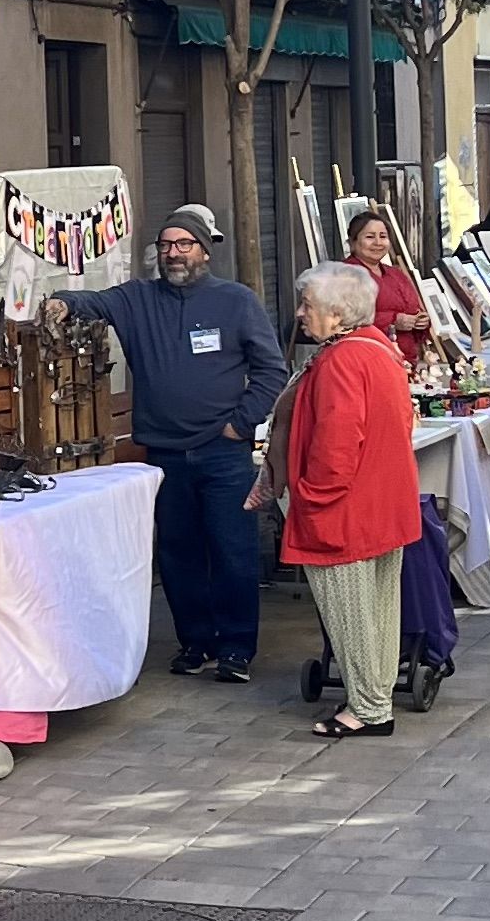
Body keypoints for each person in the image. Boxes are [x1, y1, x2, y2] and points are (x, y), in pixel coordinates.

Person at [44, 207, 287, 682]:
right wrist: (61, 301)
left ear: (204, 250)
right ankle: (196, 642)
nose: (173, 254)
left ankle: (237, 647)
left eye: (184, 245)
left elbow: (271, 371)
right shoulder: (137, 299)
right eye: (165, 245)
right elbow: (91, 301)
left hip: (224, 453)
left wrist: (240, 424)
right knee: (178, 554)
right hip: (165, 456)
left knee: (232, 550)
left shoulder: (236, 302)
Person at [279, 262, 424, 736]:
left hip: (345, 511)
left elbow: (336, 444)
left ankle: (367, 709)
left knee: (352, 617)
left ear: (339, 315)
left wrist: (309, 495)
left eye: (309, 306)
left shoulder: (340, 360)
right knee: (380, 611)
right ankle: (375, 699)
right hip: (383, 503)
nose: (300, 314)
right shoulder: (379, 349)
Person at [343, 207, 431, 372]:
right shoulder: (345, 275)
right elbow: (345, 320)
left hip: (405, 361)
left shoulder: (395, 274)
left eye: (383, 237)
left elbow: (414, 308)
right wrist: (393, 321)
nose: (378, 243)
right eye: (370, 237)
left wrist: (421, 321)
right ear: (353, 243)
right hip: (368, 362)